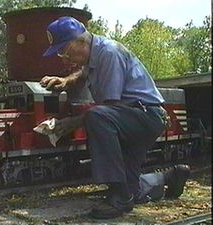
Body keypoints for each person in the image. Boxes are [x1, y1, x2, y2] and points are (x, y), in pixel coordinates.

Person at [40, 16, 190, 219]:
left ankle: (118, 198)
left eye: (64, 51)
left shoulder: (109, 53)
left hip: (144, 116)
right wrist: (65, 82)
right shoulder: (94, 54)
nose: (64, 58)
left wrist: (66, 124)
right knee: (131, 189)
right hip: (134, 117)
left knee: (97, 116)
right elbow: (83, 75)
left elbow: (109, 109)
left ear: (81, 42)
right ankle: (170, 177)